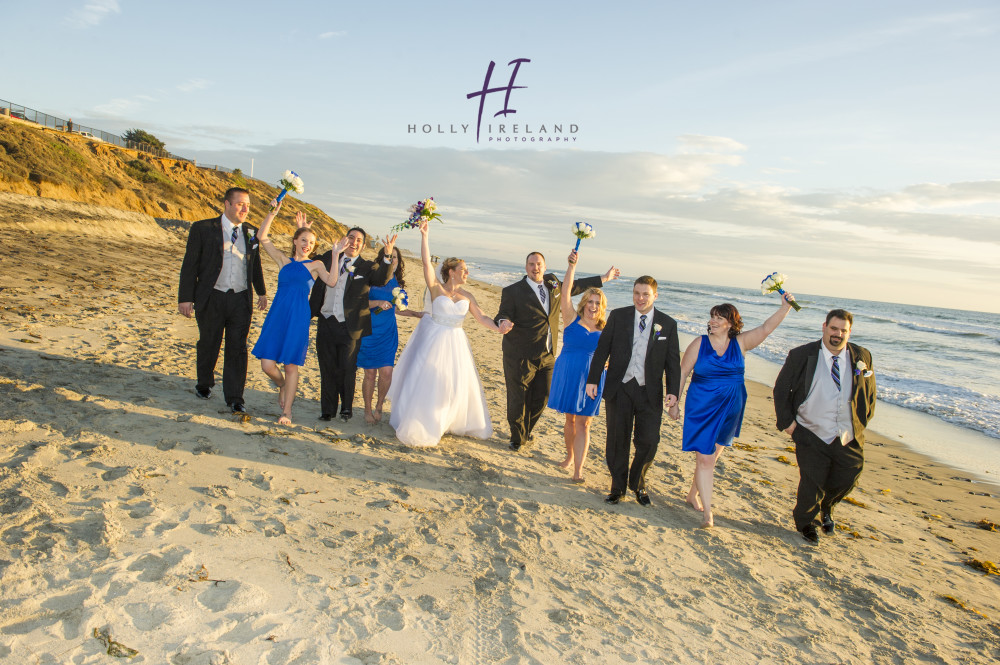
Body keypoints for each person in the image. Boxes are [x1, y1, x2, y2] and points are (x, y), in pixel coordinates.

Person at [672, 294, 796, 527]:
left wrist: (785, 308)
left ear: (731, 323)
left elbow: (767, 328)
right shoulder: (699, 343)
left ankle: (691, 495)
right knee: (705, 459)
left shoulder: (741, 343)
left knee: (712, 456)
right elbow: (683, 372)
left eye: (719, 318)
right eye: (712, 317)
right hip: (702, 406)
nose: (713, 321)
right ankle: (708, 512)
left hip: (731, 406)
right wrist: (674, 402)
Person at [386, 219, 506, 447]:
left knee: (453, 383)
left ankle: (446, 420)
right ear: (451, 272)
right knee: (428, 381)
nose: (467, 273)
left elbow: (481, 317)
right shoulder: (436, 288)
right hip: (433, 339)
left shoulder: (468, 296)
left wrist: (498, 327)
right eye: (463, 270)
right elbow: (425, 264)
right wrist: (424, 236)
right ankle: (422, 420)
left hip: (456, 342)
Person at [496, 252, 618, 452]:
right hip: (520, 353)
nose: (535, 268)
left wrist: (603, 278)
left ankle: (525, 430)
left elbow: (574, 286)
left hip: (547, 353)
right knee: (518, 397)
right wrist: (503, 322)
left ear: (544, 266)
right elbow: (503, 312)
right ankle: (518, 438)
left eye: (539, 264)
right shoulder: (513, 291)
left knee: (543, 395)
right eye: (531, 264)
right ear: (526, 266)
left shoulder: (552, 283)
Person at [773, 309, 876, 545]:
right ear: (824, 327)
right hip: (810, 430)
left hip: (848, 432)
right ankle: (805, 523)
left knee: (851, 474)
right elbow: (781, 390)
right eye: (833, 328)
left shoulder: (862, 356)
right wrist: (788, 425)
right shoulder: (802, 355)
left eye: (843, 330)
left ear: (850, 332)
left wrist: (862, 422)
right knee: (812, 480)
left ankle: (827, 506)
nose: (837, 334)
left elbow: (869, 394)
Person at [251, 202, 348, 425]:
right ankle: (283, 385)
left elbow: (332, 281)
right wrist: (272, 213)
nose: (307, 245)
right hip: (277, 314)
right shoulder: (283, 261)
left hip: (298, 316)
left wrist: (335, 255)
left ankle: (287, 412)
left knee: (291, 365)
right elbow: (262, 236)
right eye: (303, 240)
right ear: (295, 240)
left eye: (311, 242)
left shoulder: (315, 265)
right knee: (267, 364)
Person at [586, 276, 680, 506]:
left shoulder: (667, 324)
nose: (640, 298)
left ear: (655, 296)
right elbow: (602, 350)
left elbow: (673, 362)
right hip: (620, 388)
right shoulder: (619, 316)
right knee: (618, 441)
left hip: (650, 392)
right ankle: (617, 487)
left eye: (645, 294)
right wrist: (593, 379)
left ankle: (637, 481)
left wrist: (673, 391)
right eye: (637, 293)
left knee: (649, 441)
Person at [178, 187, 267, 414]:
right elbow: (190, 265)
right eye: (240, 204)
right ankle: (204, 384)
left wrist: (261, 291)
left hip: (240, 299)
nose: (245, 209)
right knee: (209, 342)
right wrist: (186, 298)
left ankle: (235, 397)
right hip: (212, 296)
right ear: (227, 204)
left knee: (237, 347)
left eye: (247, 205)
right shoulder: (203, 229)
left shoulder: (251, 232)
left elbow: (254, 264)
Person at [308, 225, 396, 422]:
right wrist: (304, 230)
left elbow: (382, 279)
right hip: (326, 321)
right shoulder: (330, 258)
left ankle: (346, 408)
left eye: (359, 240)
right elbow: (309, 258)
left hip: (351, 326)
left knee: (348, 368)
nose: (354, 242)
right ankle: (327, 410)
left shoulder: (367, 267)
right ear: (344, 240)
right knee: (327, 367)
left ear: (363, 246)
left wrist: (387, 256)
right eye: (351, 238)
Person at [546, 249, 608, 482]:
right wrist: (571, 267)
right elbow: (564, 294)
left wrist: (610, 362)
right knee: (570, 419)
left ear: (602, 306)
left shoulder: (605, 328)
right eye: (590, 301)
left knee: (585, 423)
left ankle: (578, 470)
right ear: (584, 303)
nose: (593, 306)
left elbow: (615, 350)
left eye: (597, 303)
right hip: (569, 372)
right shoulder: (572, 317)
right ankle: (570, 455)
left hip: (592, 376)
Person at [356, 246, 425, 424]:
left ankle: (379, 405)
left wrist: (416, 314)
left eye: (395, 257)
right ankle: (367, 408)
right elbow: (360, 302)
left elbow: (397, 309)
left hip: (387, 332)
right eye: (389, 256)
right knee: (370, 374)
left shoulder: (397, 282)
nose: (393, 259)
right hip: (369, 330)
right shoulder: (373, 278)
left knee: (386, 372)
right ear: (382, 259)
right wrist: (378, 302)